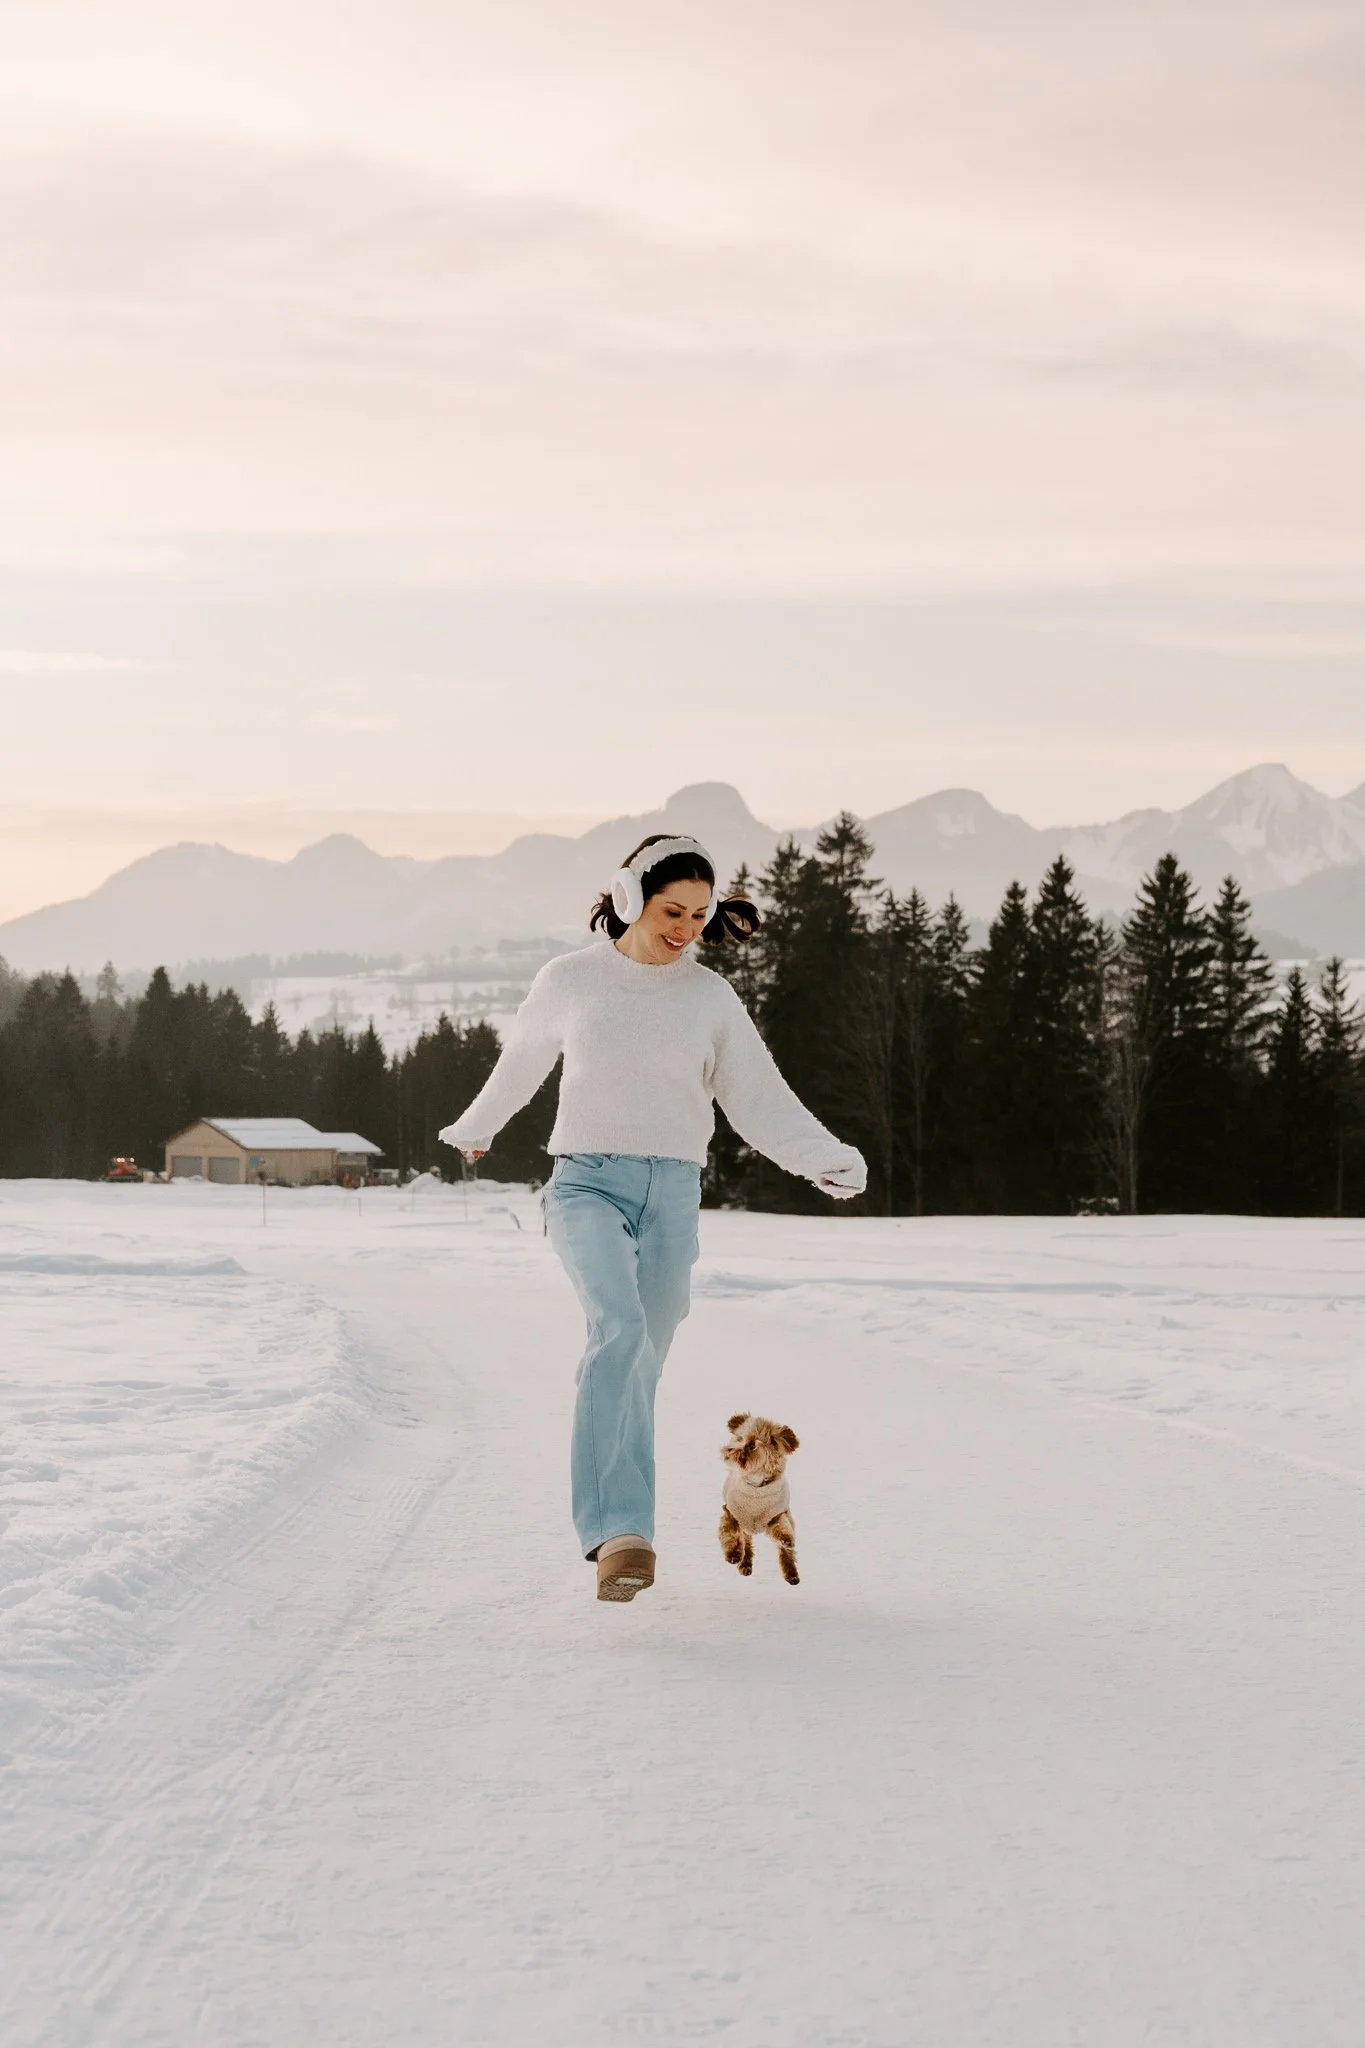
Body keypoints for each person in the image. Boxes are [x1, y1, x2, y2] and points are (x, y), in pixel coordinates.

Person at [439, 832, 866, 1601]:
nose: (685, 928)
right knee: (619, 1330)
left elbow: (757, 1098)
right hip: (585, 1186)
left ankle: (617, 1519)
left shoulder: (708, 997)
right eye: (673, 910)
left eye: (701, 916)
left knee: (640, 1361)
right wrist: (476, 1127)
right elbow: (521, 1061)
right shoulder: (572, 980)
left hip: (672, 1194)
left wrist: (820, 1156)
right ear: (630, 896)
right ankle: (619, 1535)